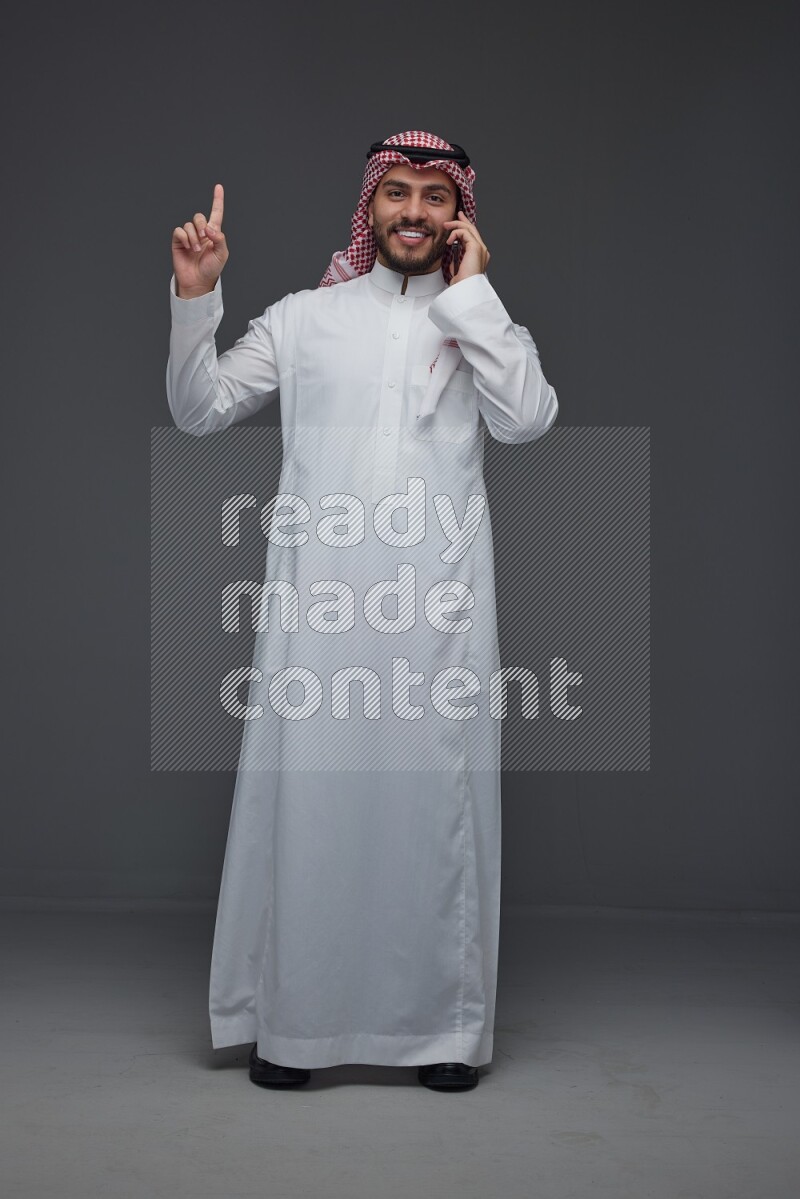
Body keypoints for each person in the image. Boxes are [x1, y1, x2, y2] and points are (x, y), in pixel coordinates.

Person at [166, 130, 559, 1092]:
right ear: (370, 207)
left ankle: (445, 1034)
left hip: (441, 613)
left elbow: (530, 417)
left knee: (437, 815)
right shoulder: (306, 318)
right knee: (313, 808)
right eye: (398, 195)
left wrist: (472, 298)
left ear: (457, 211)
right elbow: (199, 407)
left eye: (434, 196)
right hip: (322, 610)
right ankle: (291, 1026)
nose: (415, 213)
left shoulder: (481, 320)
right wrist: (195, 297)